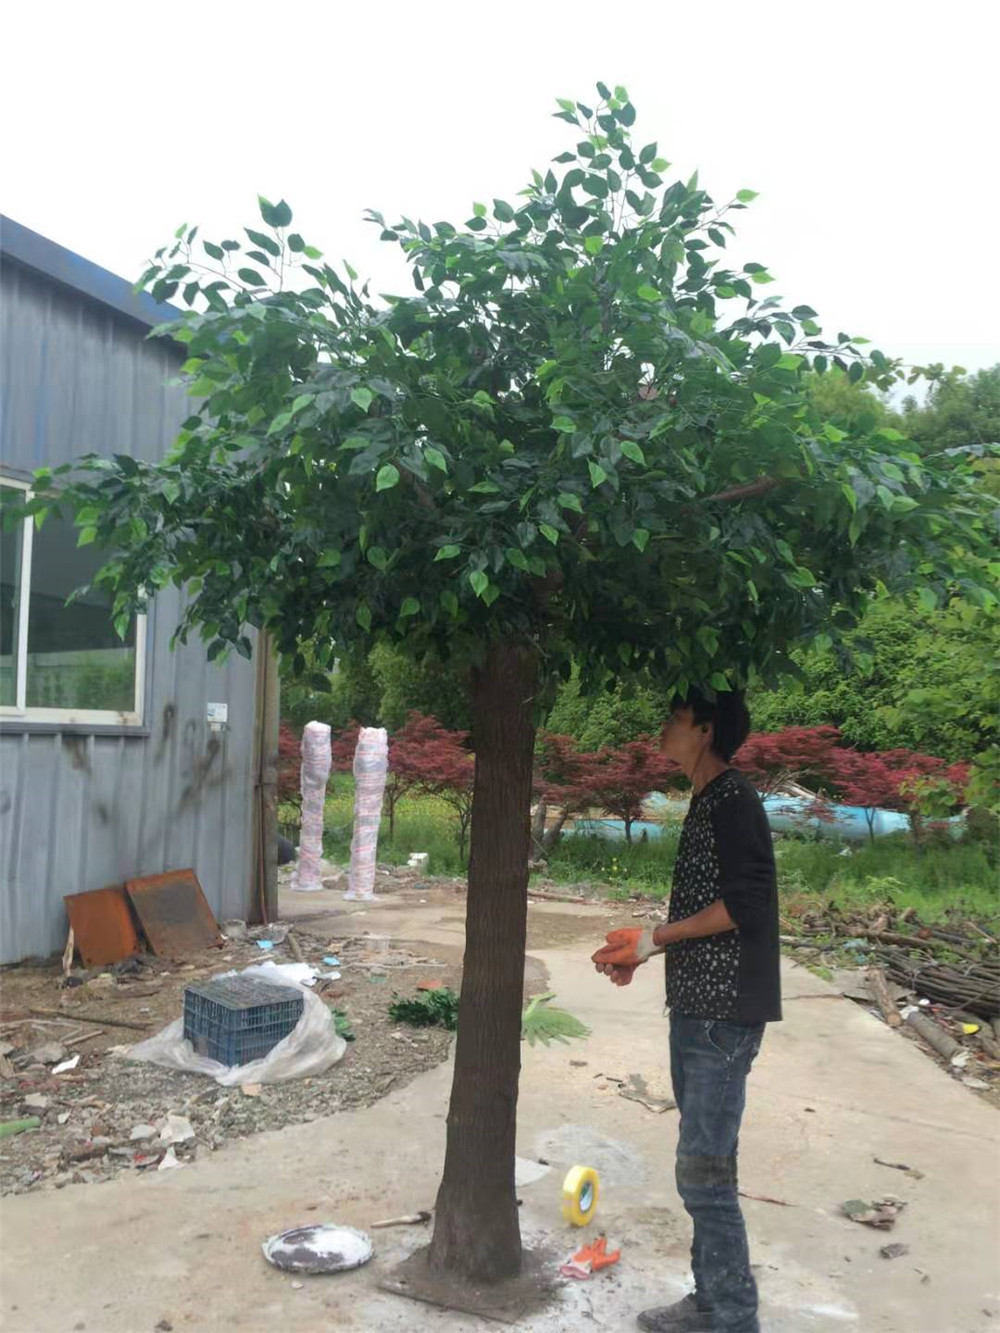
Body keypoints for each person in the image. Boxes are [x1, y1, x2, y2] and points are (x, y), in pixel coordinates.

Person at [593, 689, 781, 1333]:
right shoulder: (708, 799)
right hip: (698, 1008)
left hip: (723, 1016)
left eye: (674, 718)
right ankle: (710, 1303)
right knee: (700, 1166)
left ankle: (730, 1317)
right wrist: (643, 952)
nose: (663, 726)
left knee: (705, 1174)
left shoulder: (734, 800)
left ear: (704, 731)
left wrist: (654, 939)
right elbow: (713, 907)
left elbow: (744, 904)